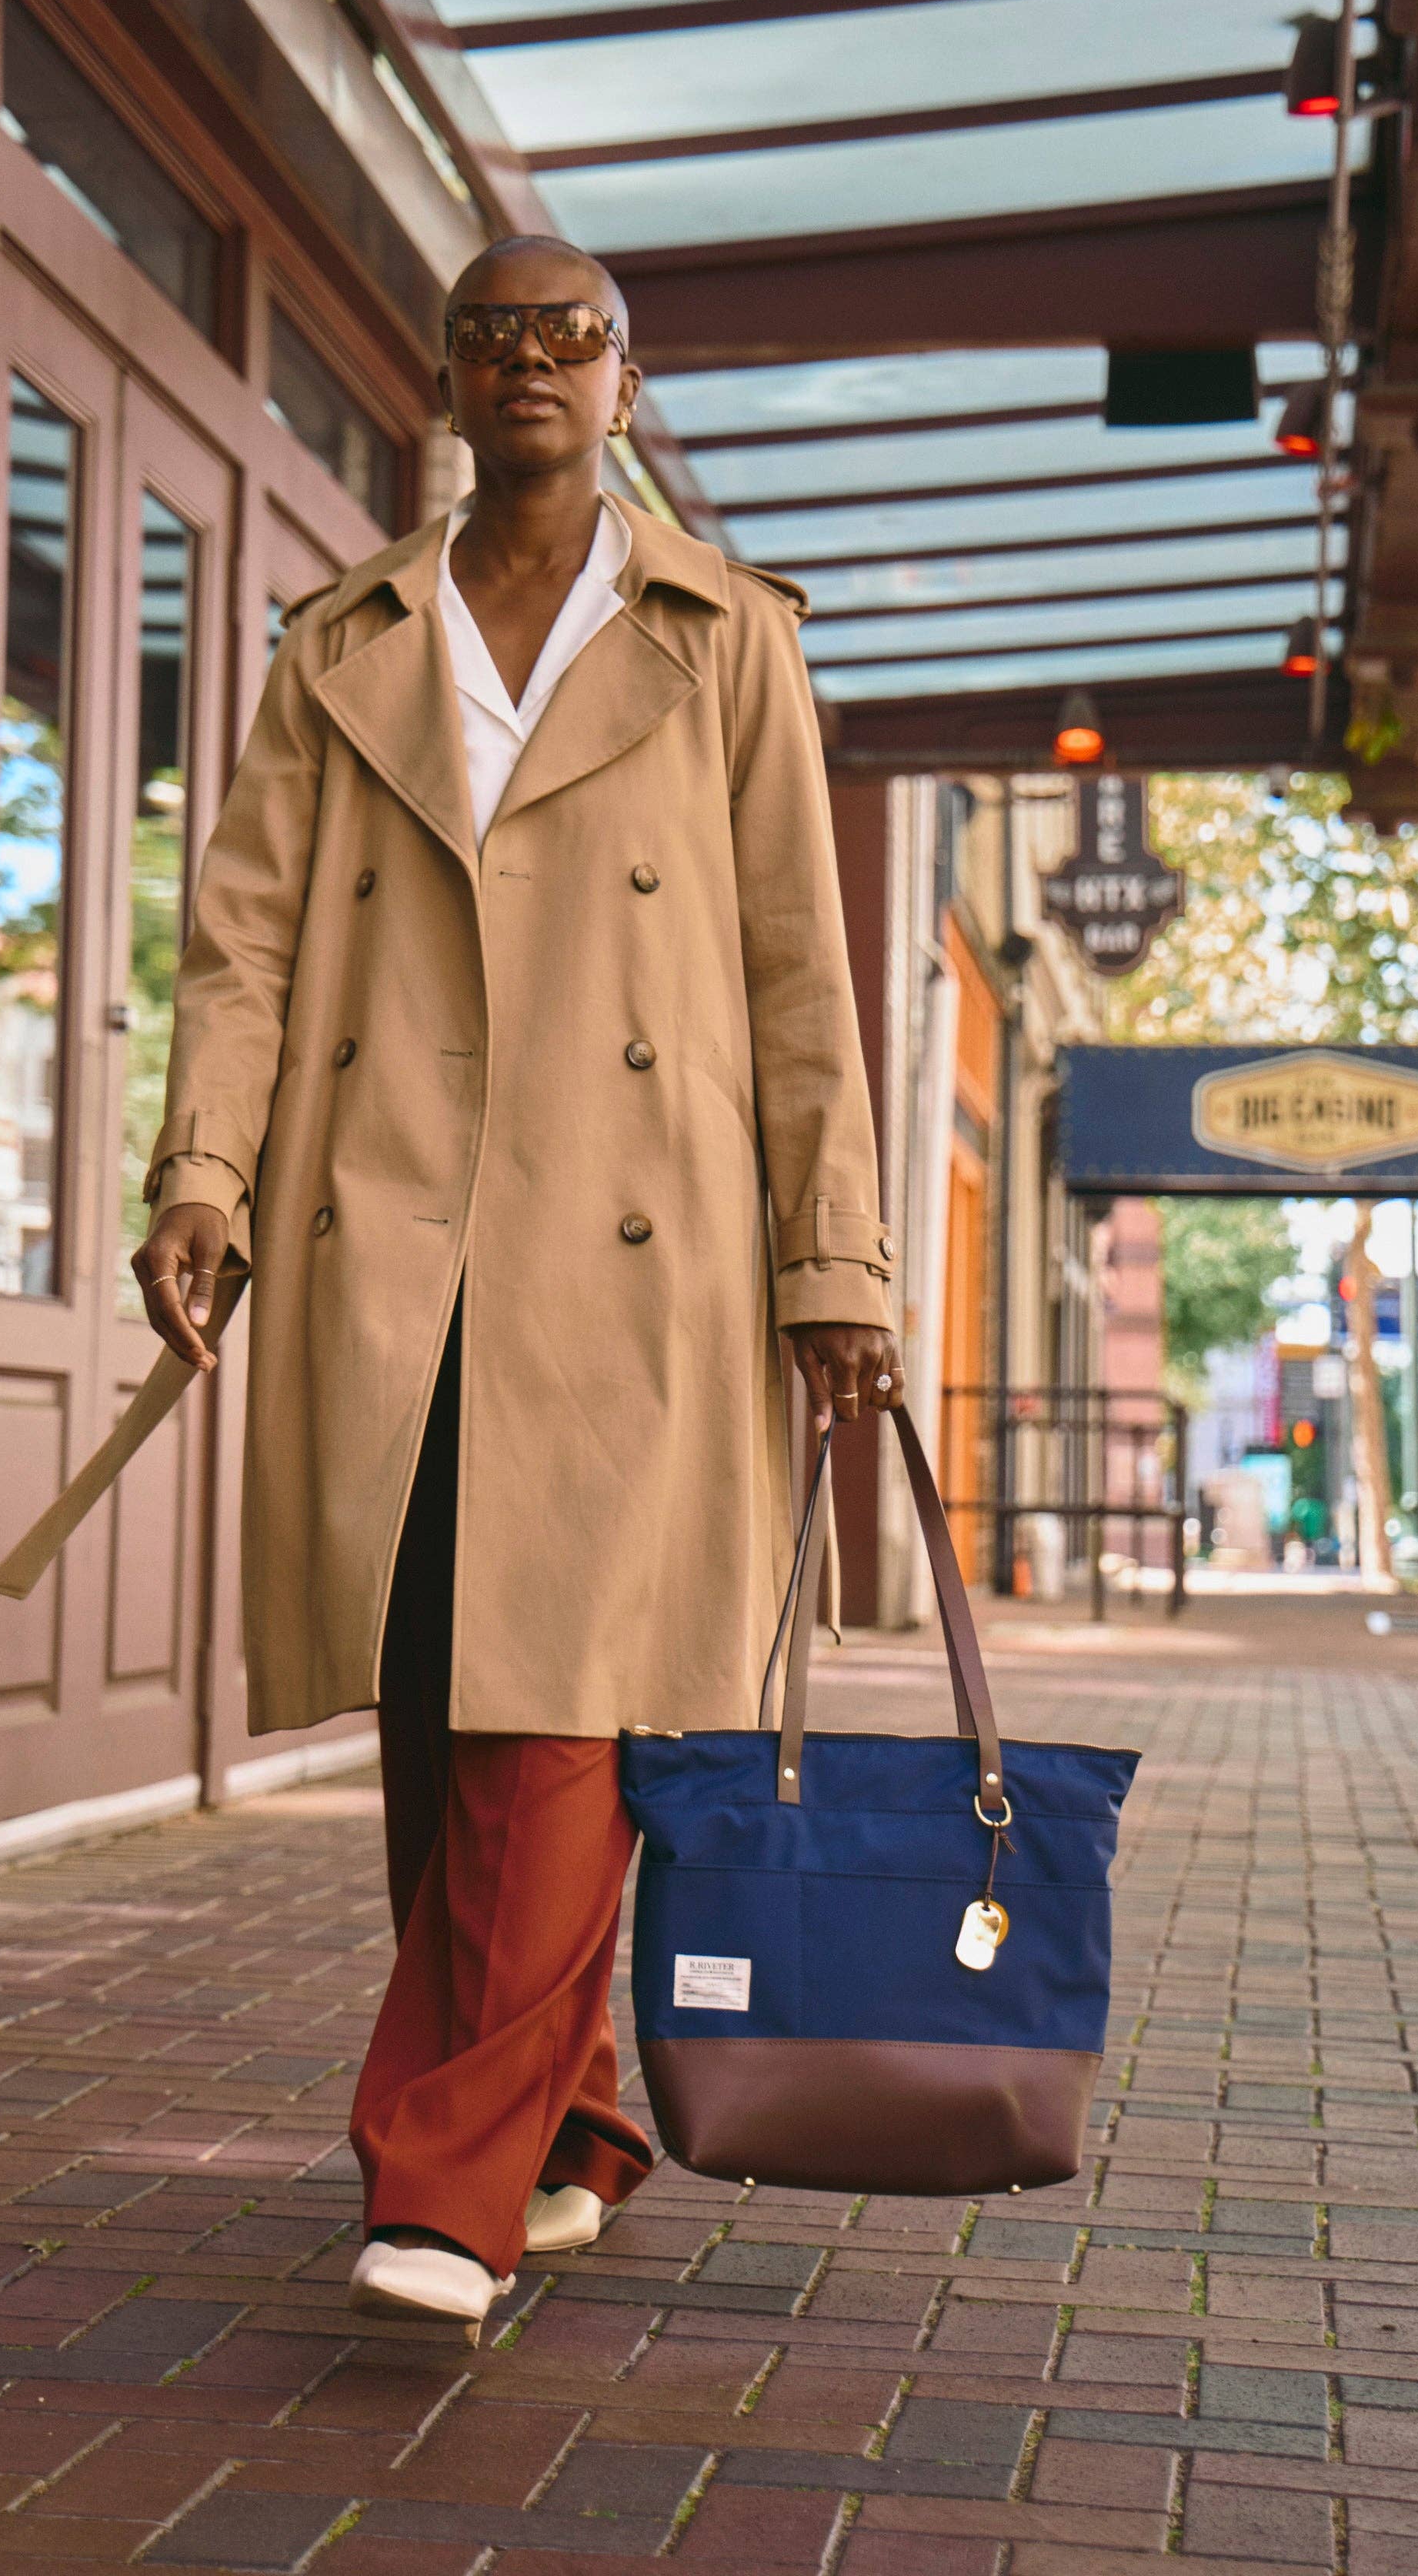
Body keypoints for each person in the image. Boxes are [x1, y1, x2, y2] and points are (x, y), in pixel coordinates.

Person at [132, 232, 902, 2333]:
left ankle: (444, 2184)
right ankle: (565, 2128)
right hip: (388, 1225)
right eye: (496, 336)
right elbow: (244, 943)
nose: (534, 363)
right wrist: (202, 1169)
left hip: (641, 1244)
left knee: (555, 1713)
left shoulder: (723, 635)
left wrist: (835, 1257)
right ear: (450, 379)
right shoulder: (340, 640)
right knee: (437, 1697)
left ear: (626, 384)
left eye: (573, 336)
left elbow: (799, 969)